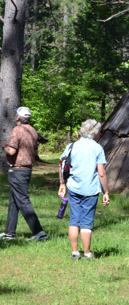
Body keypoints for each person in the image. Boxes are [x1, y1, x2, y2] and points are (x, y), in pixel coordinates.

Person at [58, 119, 110, 260]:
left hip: (73, 188)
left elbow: (62, 165)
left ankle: (75, 252)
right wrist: (105, 192)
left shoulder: (71, 146)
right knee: (86, 222)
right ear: (96, 132)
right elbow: (101, 173)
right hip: (91, 189)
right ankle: (87, 253)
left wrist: (62, 185)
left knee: (74, 220)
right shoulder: (97, 148)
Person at [0, 107, 48, 242]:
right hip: (26, 169)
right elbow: (34, 151)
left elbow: (11, 151)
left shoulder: (17, 130)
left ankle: (39, 232)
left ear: (18, 117)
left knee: (22, 200)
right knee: (14, 200)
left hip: (17, 170)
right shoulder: (32, 130)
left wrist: (3, 145)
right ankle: (9, 232)